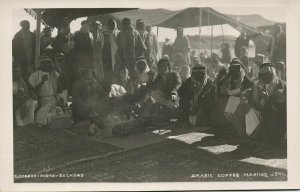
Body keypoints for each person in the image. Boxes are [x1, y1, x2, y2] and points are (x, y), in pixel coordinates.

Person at [238, 62, 286, 144]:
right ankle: (253, 135)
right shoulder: (260, 83)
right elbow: (255, 97)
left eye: (267, 74)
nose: (265, 77)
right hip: (263, 109)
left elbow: (279, 104)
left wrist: (266, 97)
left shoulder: (280, 84)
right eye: (262, 75)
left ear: (272, 74)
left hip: (277, 112)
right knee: (248, 112)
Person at [210, 59, 253, 129]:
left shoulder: (245, 79)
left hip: (241, 100)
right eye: (232, 68)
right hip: (228, 98)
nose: (234, 70)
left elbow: (249, 89)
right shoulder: (228, 77)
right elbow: (222, 87)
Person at [72, 66, 110, 131]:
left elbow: (103, 94)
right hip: (82, 111)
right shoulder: (77, 85)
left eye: (91, 73)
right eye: (88, 73)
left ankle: (98, 125)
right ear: (84, 74)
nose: (91, 74)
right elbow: (77, 101)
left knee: (103, 121)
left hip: (94, 109)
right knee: (93, 122)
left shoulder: (95, 83)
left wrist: (107, 98)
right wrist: (88, 109)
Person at [28, 56, 61, 127]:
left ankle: (43, 120)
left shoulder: (54, 74)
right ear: (40, 64)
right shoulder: (35, 75)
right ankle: (42, 120)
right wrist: (41, 82)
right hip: (41, 99)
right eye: (44, 63)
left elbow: (60, 86)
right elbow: (33, 90)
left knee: (53, 110)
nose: (47, 65)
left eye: (48, 63)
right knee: (47, 109)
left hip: (54, 98)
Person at [102, 19, 120, 83]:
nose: (106, 38)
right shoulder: (101, 45)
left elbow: (117, 55)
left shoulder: (113, 45)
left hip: (111, 63)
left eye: (107, 37)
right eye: (105, 37)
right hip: (104, 64)